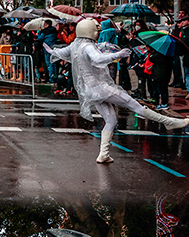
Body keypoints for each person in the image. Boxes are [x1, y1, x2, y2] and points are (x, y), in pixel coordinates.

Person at [49, 17, 188, 165]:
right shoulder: (87, 47)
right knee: (135, 105)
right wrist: (117, 55)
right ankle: (168, 122)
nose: (97, 33)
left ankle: (104, 154)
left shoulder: (76, 45)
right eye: (96, 31)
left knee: (110, 120)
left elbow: (61, 53)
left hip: (91, 90)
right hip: (101, 88)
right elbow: (97, 59)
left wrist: (50, 50)